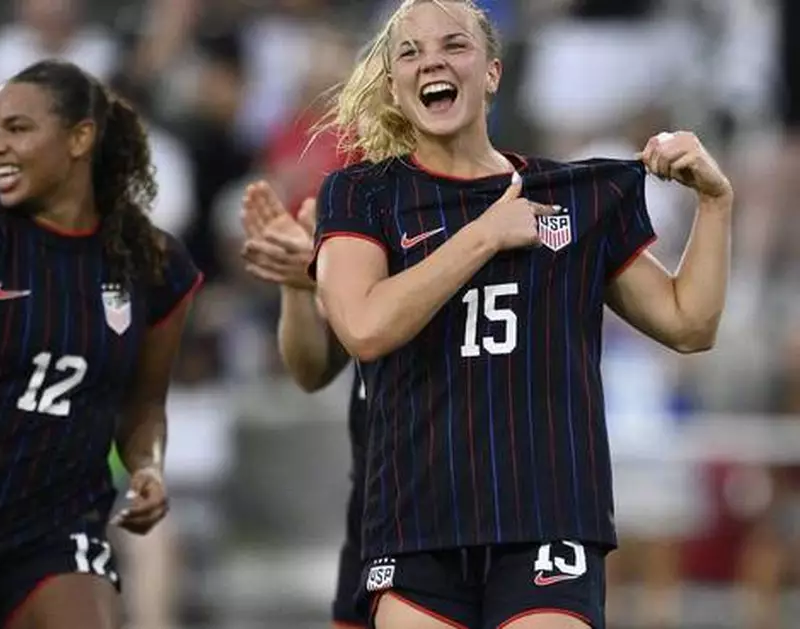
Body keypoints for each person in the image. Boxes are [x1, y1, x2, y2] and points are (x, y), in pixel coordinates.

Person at [309, 1, 733, 628]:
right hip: (416, 519)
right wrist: (484, 235)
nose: (433, 61)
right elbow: (365, 328)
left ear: (492, 74)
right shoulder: (362, 194)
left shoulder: (573, 196)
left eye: (454, 45)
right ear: (396, 86)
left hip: (549, 514)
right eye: (410, 52)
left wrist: (716, 203)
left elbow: (689, 323)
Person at [0, 59, 202, 629]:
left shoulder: (153, 263)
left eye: (17, 128)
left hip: (60, 525)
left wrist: (149, 468)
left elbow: (143, 405)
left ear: (80, 137)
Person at [239, 181, 368, 629]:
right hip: (380, 502)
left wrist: (322, 271)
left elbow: (388, 315)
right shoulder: (364, 205)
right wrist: (296, 286)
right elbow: (313, 370)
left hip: (463, 494)